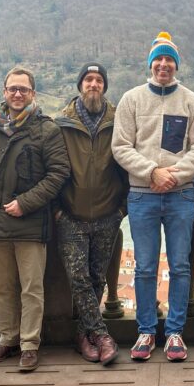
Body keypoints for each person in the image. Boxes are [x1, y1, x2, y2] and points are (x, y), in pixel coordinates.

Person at [111, 31, 194, 362]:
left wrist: (174, 176)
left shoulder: (191, 101)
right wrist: (152, 172)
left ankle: (175, 333)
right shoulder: (132, 100)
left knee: (181, 265)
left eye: (169, 60)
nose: (164, 65)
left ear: (176, 65)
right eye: (159, 60)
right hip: (142, 195)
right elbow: (121, 147)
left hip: (181, 194)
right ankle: (145, 331)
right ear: (151, 64)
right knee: (144, 267)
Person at [0, 67, 69, 371]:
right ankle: (6, 339)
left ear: (32, 94)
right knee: (2, 286)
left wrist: (26, 203)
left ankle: (29, 344)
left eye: (23, 90)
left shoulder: (46, 129)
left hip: (29, 223)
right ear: (4, 92)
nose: (17, 94)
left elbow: (58, 174)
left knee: (31, 288)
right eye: (12, 89)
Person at [54, 62, 129, 366]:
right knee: (79, 278)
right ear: (80, 85)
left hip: (108, 214)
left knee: (97, 277)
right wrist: (57, 211)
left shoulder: (120, 121)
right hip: (70, 215)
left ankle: (84, 337)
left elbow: (128, 166)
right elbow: (52, 170)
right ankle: (101, 335)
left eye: (99, 80)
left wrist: (121, 209)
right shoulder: (61, 123)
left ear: (105, 86)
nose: (93, 84)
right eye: (88, 79)